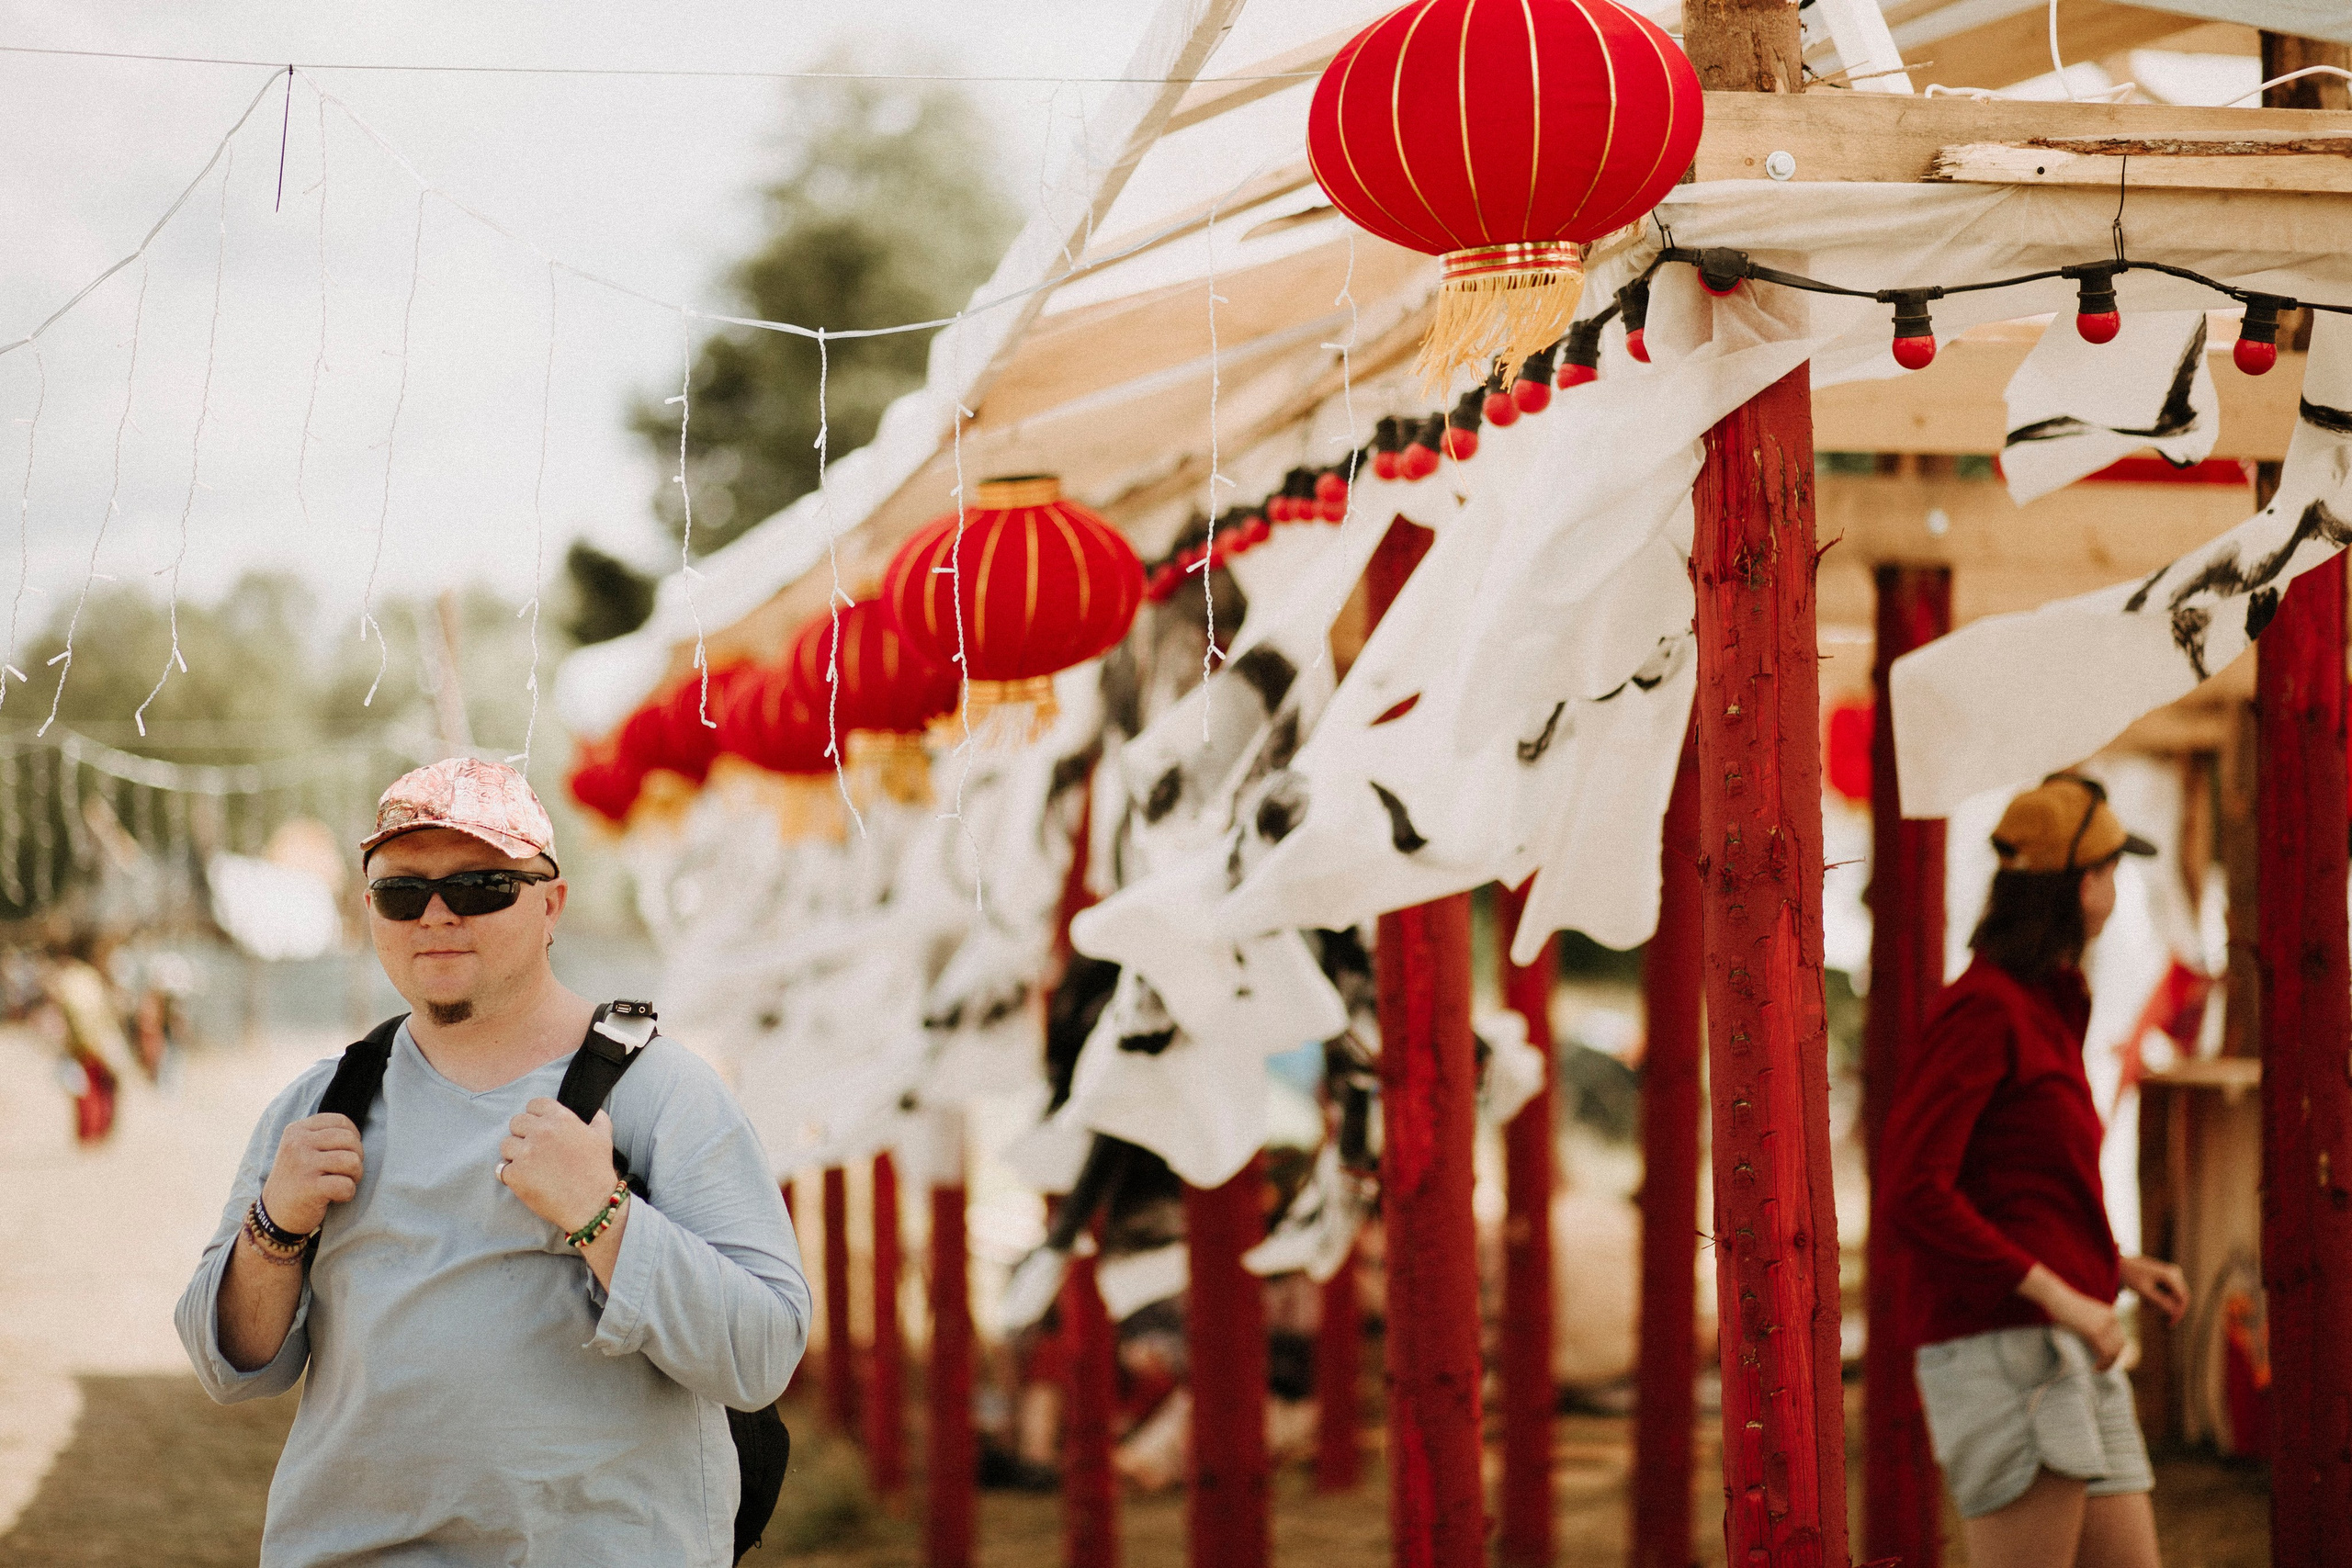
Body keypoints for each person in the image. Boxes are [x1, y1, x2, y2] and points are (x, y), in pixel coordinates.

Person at [175, 757, 809, 1567]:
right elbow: (226, 1366)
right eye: (402, 893)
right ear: (369, 909)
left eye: (481, 886)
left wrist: (605, 1217)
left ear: (552, 904)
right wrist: (275, 1228)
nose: (437, 914)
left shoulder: (663, 1093)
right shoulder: (321, 1106)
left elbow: (764, 1353)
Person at [1883, 772, 2191, 1568]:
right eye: (2113, 871)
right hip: (2007, 1346)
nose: (2116, 892)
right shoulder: (1986, 1008)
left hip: (2066, 1338)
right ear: (2085, 885)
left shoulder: (2044, 1004)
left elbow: (2019, 1187)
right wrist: (2064, 1295)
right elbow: (1914, 1190)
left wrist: (2113, 1266)